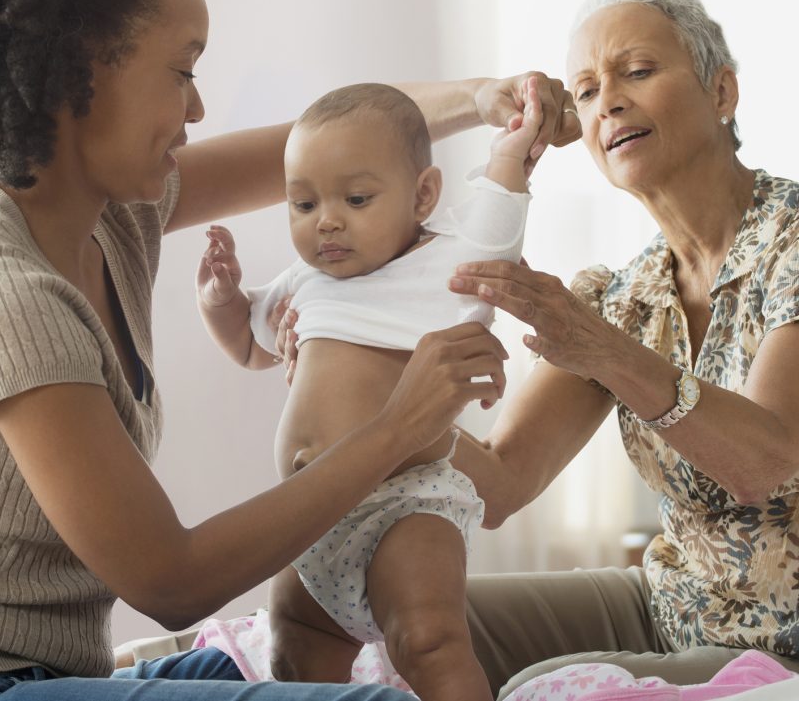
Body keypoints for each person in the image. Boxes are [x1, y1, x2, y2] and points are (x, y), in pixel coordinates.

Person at [0, 0, 580, 700]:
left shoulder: (115, 213)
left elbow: (325, 141)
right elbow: (170, 581)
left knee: (265, 655)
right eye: (182, 70)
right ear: (82, 67)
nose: (198, 107)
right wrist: (395, 428)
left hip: (44, 675)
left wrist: (481, 97)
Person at [439, 0, 799, 695]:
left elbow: (763, 459)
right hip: (671, 607)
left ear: (721, 92)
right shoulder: (618, 296)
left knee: (551, 687)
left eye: (636, 71)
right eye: (585, 90)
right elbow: (499, 482)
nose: (607, 101)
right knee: (418, 622)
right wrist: (366, 395)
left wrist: (602, 349)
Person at [194, 80, 543, 701]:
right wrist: (221, 302)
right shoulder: (305, 279)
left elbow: (499, 225)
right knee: (294, 647)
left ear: (423, 195)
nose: (327, 221)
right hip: (310, 517)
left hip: (404, 507)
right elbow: (252, 347)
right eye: (302, 205)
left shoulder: (451, 265)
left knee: (429, 641)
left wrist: (511, 154)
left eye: (356, 198)